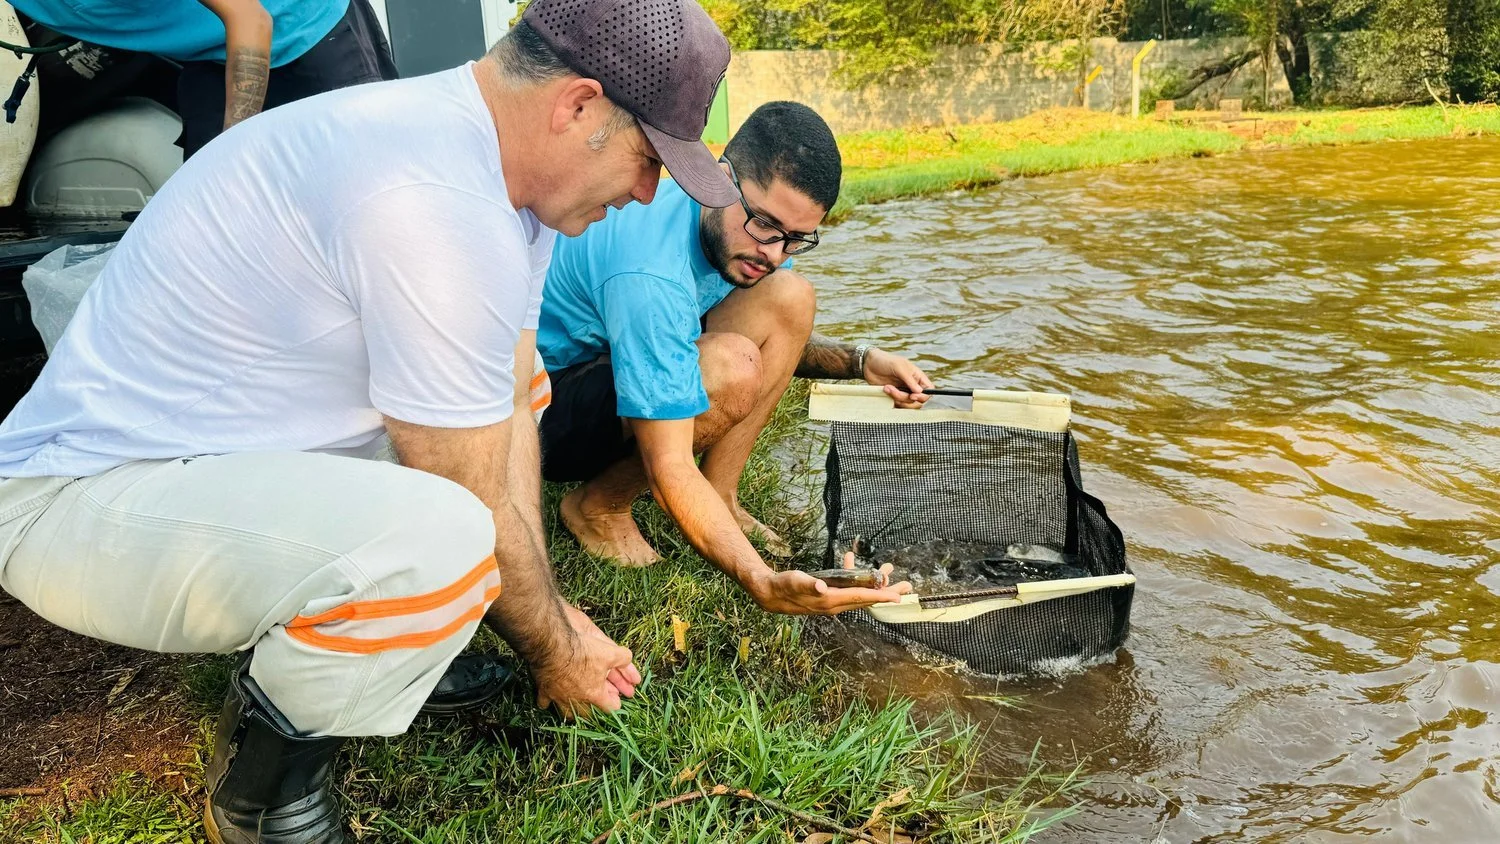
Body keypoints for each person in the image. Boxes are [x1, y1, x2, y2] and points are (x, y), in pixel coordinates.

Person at [0, 1, 736, 841]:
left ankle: (400, 645)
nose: (646, 195)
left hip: (204, 460)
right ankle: (261, 799)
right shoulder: (432, 198)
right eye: (648, 161)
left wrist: (554, 614)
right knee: (445, 542)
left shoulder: (498, 180)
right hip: (75, 501)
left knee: (512, 400)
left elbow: (506, 403)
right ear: (576, 106)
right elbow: (469, 492)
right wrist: (555, 651)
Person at [536, 101, 926, 615]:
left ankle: (720, 494)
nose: (775, 253)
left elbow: (756, 332)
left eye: (796, 238)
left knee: (790, 298)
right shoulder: (650, 275)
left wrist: (860, 361)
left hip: (614, 357)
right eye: (765, 225)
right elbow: (669, 463)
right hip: (545, 407)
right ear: (721, 180)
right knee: (732, 367)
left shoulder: (731, 232)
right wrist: (761, 579)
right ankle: (597, 507)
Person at [10, 0, 398, 156]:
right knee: (211, 207)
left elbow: (251, 18)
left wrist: (233, 151)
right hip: (207, 48)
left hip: (300, 28)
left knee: (350, 189)